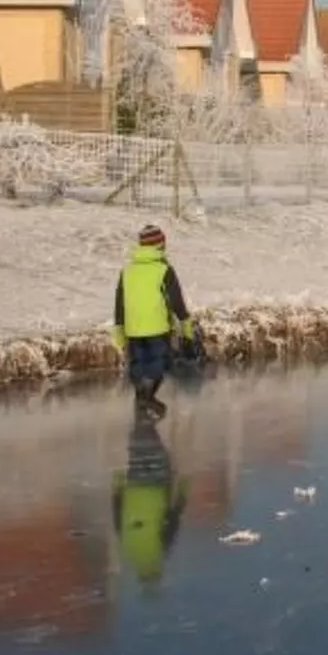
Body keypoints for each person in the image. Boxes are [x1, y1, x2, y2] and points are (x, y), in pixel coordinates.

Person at [112, 225, 197, 419]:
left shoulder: (127, 271)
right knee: (159, 364)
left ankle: (141, 406)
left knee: (138, 365)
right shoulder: (164, 270)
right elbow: (177, 303)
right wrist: (187, 331)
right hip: (157, 328)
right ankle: (147, 399)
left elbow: (119, 304)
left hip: (133, 329)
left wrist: (119, 333)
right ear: (159, 245)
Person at [112, 416, 189, 590]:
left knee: (160, 455)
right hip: (134, 482)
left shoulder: (160, 552)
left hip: (158, 483)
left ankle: (149, 422)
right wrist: (117, 486)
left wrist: (182, 492)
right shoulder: (129, 550)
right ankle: (141, 423)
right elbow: (118, 517)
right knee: (140, 451)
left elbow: (173, 519)